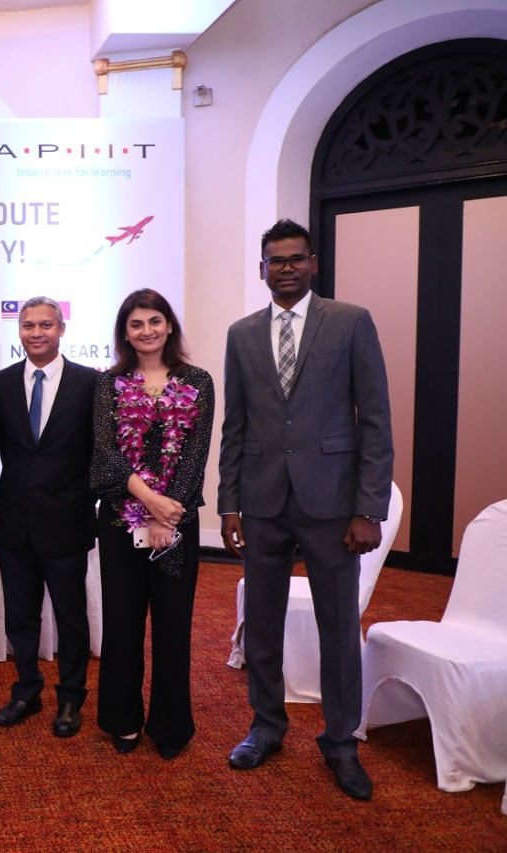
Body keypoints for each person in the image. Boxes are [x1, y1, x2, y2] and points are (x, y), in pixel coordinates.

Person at [219, 219, 393, 800]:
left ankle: (340, 742)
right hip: (262, 501)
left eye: (296, 258)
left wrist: (369, 508)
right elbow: (236, 424)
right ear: (261, 269)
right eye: (276, 260)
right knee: (262, 623)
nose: (286, 268)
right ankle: (266, 726)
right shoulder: (242, 334)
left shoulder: (350, 322)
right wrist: (229, 503)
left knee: (338, 627)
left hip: (333, 504)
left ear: (313, 264)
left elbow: (375, 419)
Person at [91, 288, 214, 761]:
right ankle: (122, 719)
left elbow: (195, 456)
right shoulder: (108, 383)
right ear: (125, 333)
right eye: (136, 324)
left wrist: (169, 514)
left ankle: (170, 725)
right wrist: (150, 502)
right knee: (122, 623)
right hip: (120, 521)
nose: (147, 331)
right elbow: (106, 454)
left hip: (177, 525)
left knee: (172, 625)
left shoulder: (198, 381)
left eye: (155, 321)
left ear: (169, 325)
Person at [0, 296, 99, 738]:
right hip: (14, 521)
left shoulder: (90, 382)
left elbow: (102, 453)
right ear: (19, 330)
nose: (37, 333)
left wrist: (82, 498)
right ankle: (27, 690)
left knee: (71, 617)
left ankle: (71, 697)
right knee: (20, 616)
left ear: (61, 330)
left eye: (46, 325)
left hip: (67, 521)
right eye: (29, 325)